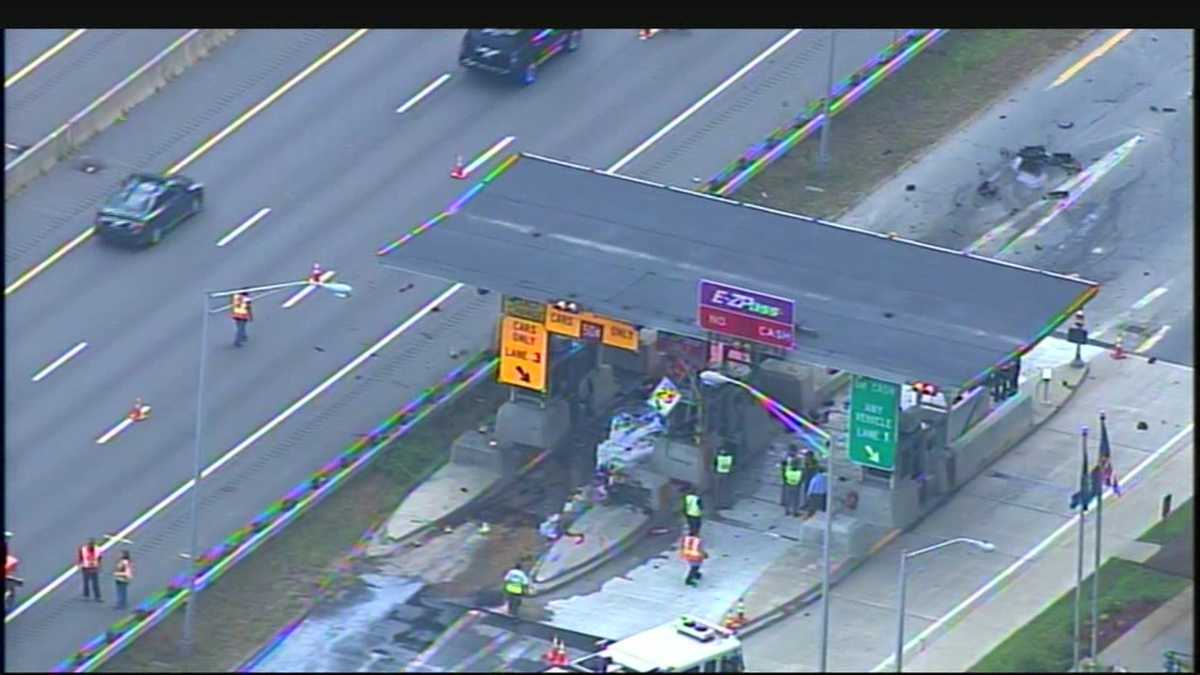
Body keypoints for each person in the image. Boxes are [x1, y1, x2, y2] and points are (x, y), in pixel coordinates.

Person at [780, 451, 804, 516]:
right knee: (796, 500)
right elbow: (802, 479)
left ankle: (787, 511)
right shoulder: (799, 471)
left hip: (788, 485)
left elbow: (784, 476)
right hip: (796, 486)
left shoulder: (788, 470)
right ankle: (795, 512)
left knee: (788, 499)